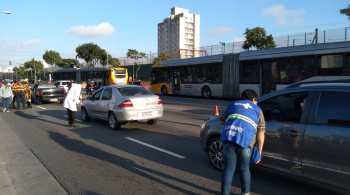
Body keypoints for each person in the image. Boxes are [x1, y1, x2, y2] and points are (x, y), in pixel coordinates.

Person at [221, 90, 265, 195]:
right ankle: (245, 193)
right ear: (254, 99)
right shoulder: (257, 110)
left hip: (229, 139)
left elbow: (223, 119)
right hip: (245, 143)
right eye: (256, 100)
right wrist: (259, 151)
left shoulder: (233, 104)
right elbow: (261, 132)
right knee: (244, 169)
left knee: (229, 169)